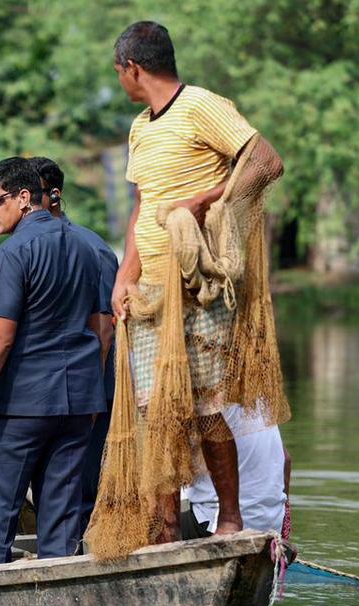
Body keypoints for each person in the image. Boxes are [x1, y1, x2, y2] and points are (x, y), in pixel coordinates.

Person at [109, 21, 286, 538]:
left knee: (206, 404)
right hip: (151, 290)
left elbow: (266, 162)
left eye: (119, 73)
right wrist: (125, 275)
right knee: (154, 409)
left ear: (132, 68)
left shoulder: (203, 106)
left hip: (200, 284)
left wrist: (204, 201)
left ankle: (229, 520)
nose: (121, 80)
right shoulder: (141, 126)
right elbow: (143, 207)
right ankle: (165, 527)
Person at [0, 158, 108, 565]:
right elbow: (101, 331)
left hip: (20, 405)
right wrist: (89, 394)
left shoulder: (15, 252)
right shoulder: (89, 247)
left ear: (23, 197)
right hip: (78, 405)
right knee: (61, 520)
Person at [28, 157, 118, 531]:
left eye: (30, 195)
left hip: (83, 394)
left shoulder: (89, 248)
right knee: (50, 490)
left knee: (76, 493)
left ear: (53, 196)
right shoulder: (27, 246)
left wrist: (91, 398)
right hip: (41, 395)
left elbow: (104, 330)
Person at [180, 405, 291, 539]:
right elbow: (286, 459)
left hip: (216, 526)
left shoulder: (197, 402)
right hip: (273, 528)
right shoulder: (260, 401)